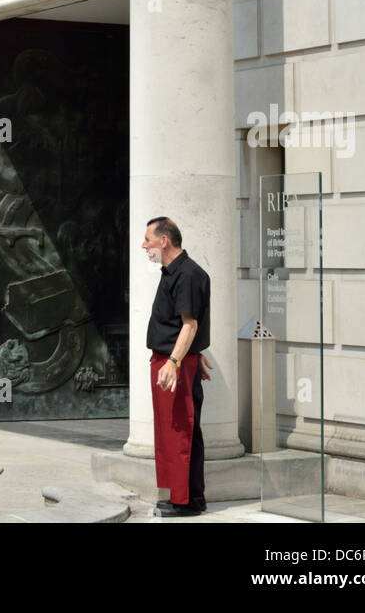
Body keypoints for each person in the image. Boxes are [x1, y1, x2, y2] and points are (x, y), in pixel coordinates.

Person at [142, 216, 212, 517]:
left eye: (148, 239)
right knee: (174, 430)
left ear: (164, 241)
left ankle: (187, 502)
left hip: (174, 363)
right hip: (175, 360)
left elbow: (190, 323)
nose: (144, 245)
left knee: (181, 431)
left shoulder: (187, 275)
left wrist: (175, 361)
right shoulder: (173, 271)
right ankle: (185, 497)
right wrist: (192, 355)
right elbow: (183, 324)